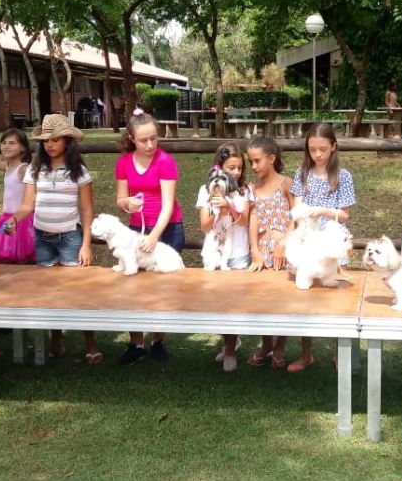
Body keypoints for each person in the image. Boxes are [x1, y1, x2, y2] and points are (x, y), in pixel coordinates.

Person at [7, 115, 99, 363]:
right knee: (50, 291)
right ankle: (56, 337)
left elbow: (88, 210)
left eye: (55, 140)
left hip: (70, 237)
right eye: (46, 140)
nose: (50, 144)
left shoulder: (79, 172)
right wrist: (14, 218)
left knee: (78, 291)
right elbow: (27, 205)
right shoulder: (35, 170)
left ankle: (90, 342)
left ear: (67, 142)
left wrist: (86, 244)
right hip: (42, 238)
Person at [114, 109, 184, 366]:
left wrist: (155, 236)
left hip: (166, 228)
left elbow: (168, 205)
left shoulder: (165, 161)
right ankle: (136, 343)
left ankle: (157, 341)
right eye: (143, 140)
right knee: (134, 286)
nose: (150, 144)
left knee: (161, 288)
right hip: (137, 230)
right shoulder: (123, 162)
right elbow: (120, 198)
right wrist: (126, 203)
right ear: (132, 138)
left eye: (154, 138)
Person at [288, 122, 356, 372]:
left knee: (335, 302)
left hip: (331, 244)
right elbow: (296, 209)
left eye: (323, 149)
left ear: (333, 147)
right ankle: (306, 354)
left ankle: (341, 355)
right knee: (304, 300)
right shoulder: (301, 174)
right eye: (312, 149)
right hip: (307, 243)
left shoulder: (343, 176)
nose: (317, 154)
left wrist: (324, 211)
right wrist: (305, 216)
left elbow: (344, 214)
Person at [197, 142, 251, 371]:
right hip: (213, 253)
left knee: (234, 305)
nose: (236, 172)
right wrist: (215, 210)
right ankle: (230, 340)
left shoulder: (243, 191)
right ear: (220, 167)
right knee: (218, 303)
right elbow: (204, 226)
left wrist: (229, 208)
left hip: (238, 254)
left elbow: (246, 221)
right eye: (231, 167)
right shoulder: (205, 191)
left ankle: (230, 351)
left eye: (239, 168)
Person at [246, 136, 295, 369]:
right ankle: (266, 344)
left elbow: (296, 216)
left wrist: (284, 242)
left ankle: (280, 346)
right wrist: (255, 249)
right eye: (251, 162)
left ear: (272, 159)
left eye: (257, 161)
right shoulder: (252, 188)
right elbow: (253, 218)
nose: (253, 167)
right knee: (262, 301)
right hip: (262, 251)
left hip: (283, 250)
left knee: (282, 300)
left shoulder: (287, 183)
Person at [0, 128, 35, 264]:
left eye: (12, 143)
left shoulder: (24, 169)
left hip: (21, 219)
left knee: (21, 256)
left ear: (22, 148)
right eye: (4, 143)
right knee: (7, 256)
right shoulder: (8, 166)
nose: (6, 146)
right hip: (7, 217)